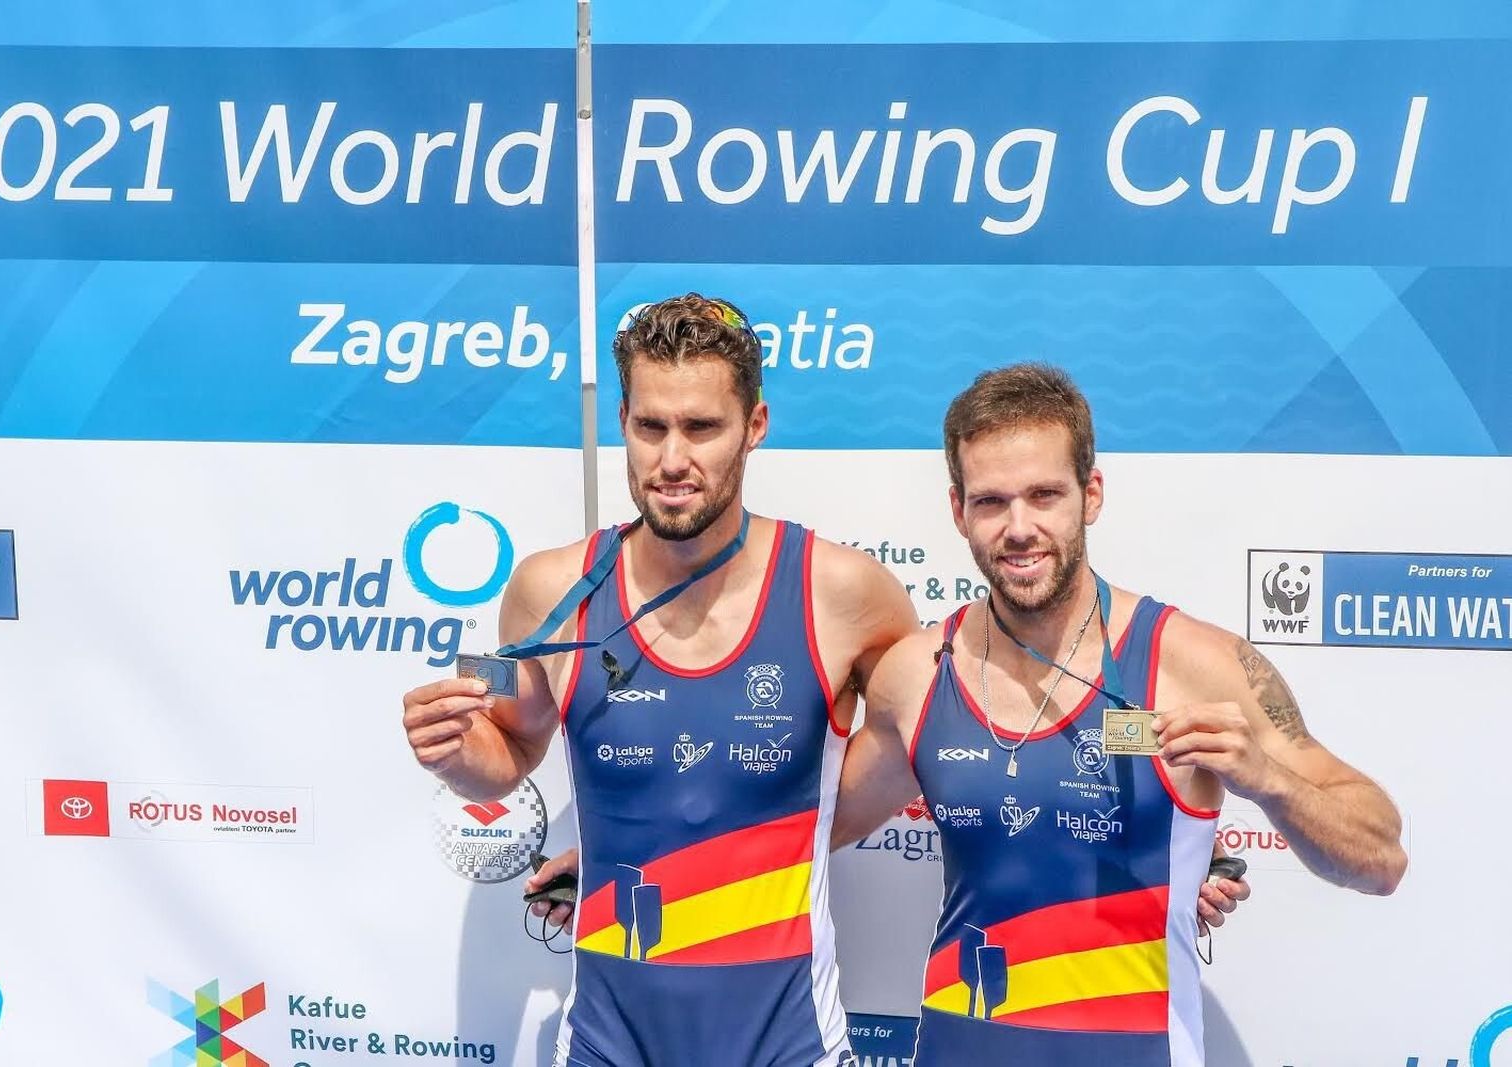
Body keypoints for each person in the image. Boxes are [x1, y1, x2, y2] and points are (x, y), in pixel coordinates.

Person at [825, 363, 1407, 1066]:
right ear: (958, 511)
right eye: (991, 502)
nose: (1019, 528)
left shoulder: (1192, 664)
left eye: (1045, 495)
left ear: (1090, 494)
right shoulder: (917, 675)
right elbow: (794, 834)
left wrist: (1269, 781)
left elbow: (1381, 859)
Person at [402, 293, 919, 1067]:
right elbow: (510, 747)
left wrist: (738, 854)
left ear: (755, 427)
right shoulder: (549, 591)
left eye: (702, 427)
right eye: (651, 427)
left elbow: (942, 734)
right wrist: (453, 748)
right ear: (624, 423)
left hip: (790, 1046)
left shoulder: (842, 592)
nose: (672, 459)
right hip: (609, 1044)